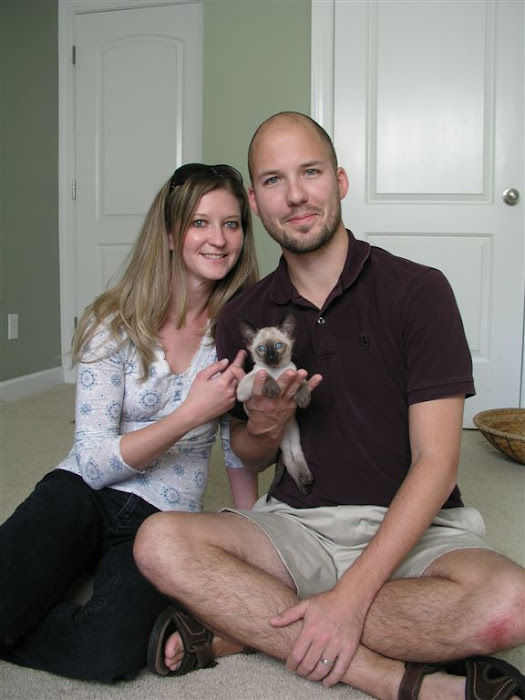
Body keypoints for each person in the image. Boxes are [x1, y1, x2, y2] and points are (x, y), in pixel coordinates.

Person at [134, 113, 525, 699]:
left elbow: (438, 463)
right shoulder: (243, 315)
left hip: (417, 528)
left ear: (339, 180)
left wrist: (351, 594)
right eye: (273, 181)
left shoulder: (419, 291)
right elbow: (246, 453)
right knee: (158, 542)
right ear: (254, 201)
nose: (294, 195)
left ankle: (248, 628)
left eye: (310, 172)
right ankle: (396, 681)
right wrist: (266, 426)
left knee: (510, 604)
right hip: (296, 527)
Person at [0, 163, 260, 683]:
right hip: (81, 491)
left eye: (231, 224)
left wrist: (253, 541)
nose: (218, 239)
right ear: (168, 233)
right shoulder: (113, 321)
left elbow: (237, 452)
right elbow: (94, 463)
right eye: (200, 223)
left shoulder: (238, 333)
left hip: (161, 522)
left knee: (111, 653)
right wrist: (191, 415)